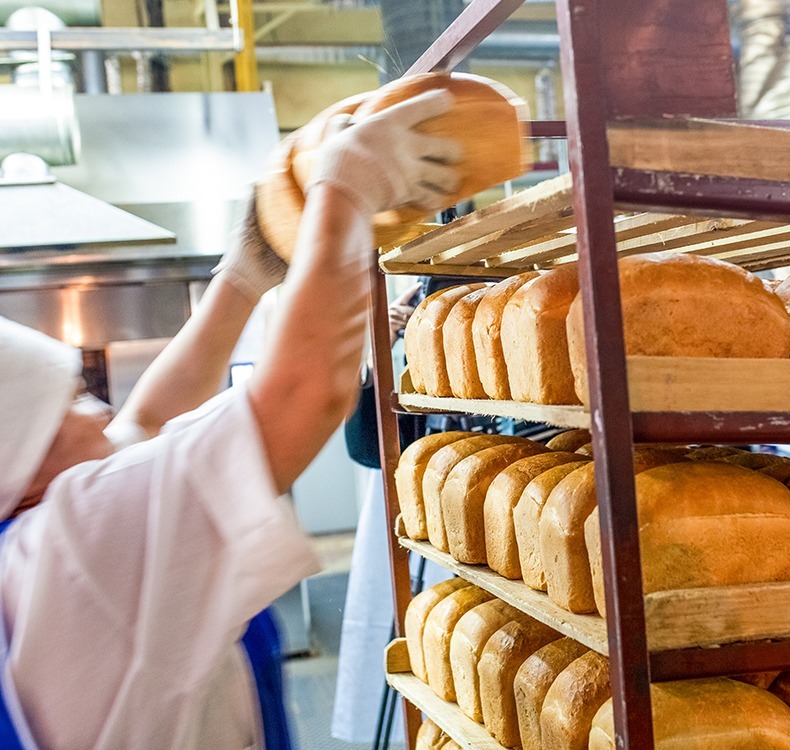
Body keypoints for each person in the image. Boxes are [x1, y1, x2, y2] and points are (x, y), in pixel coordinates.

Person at [0, 88, 461, 749]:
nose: (100, 410)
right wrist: (346, 194)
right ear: (25, 462)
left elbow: (145, 423)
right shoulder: (75, 552)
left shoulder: (29, 548)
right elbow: (303, 394)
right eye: (71, 401)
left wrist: (244, 274)